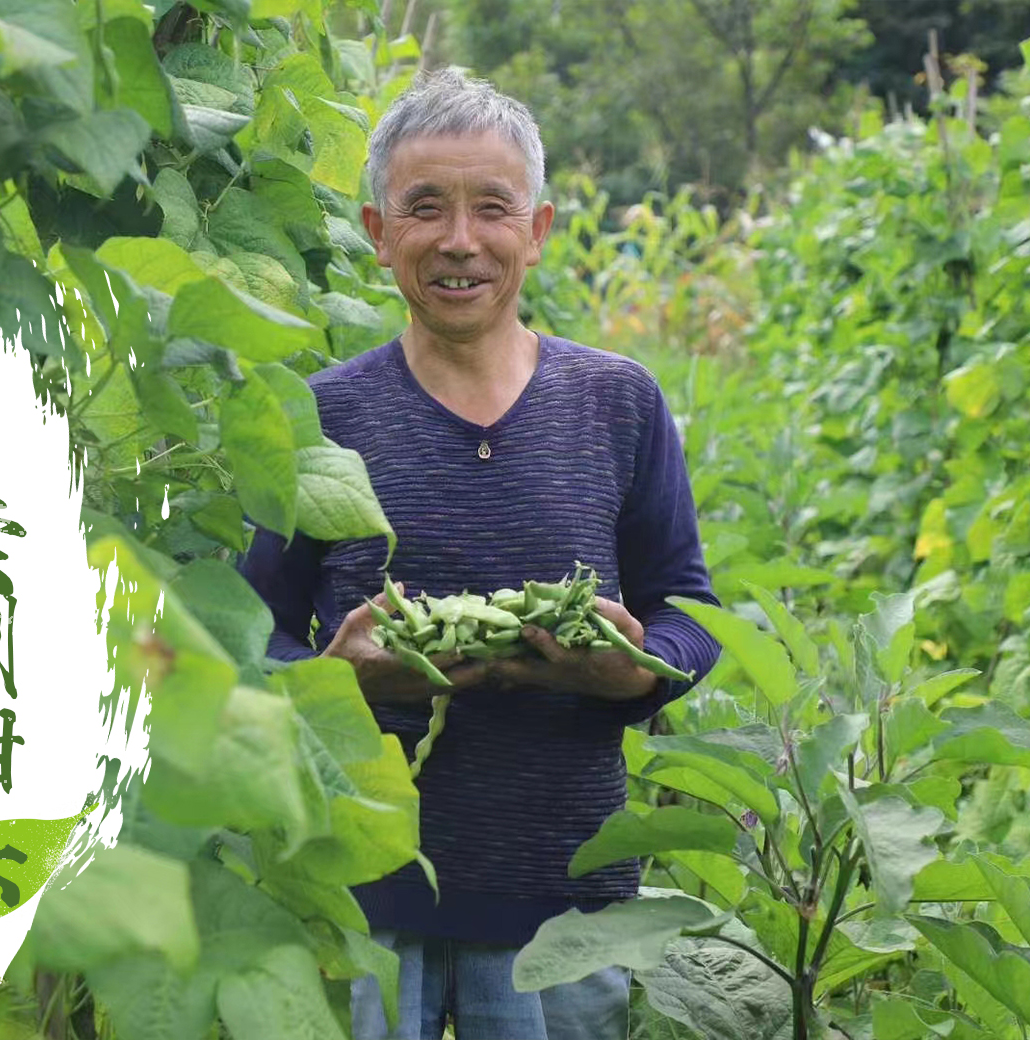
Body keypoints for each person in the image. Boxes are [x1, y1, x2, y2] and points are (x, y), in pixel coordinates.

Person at [239, 68, 722, 1040]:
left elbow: (689, 613)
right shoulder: (324, 416)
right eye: (425, 208)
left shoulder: (617, 403)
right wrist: (335, 678)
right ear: (378, 233)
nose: (460, 240)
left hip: (565, 898)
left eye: (492, 208)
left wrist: (630, 671)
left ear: (536, 230)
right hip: (363, 894)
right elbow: (251, 636)